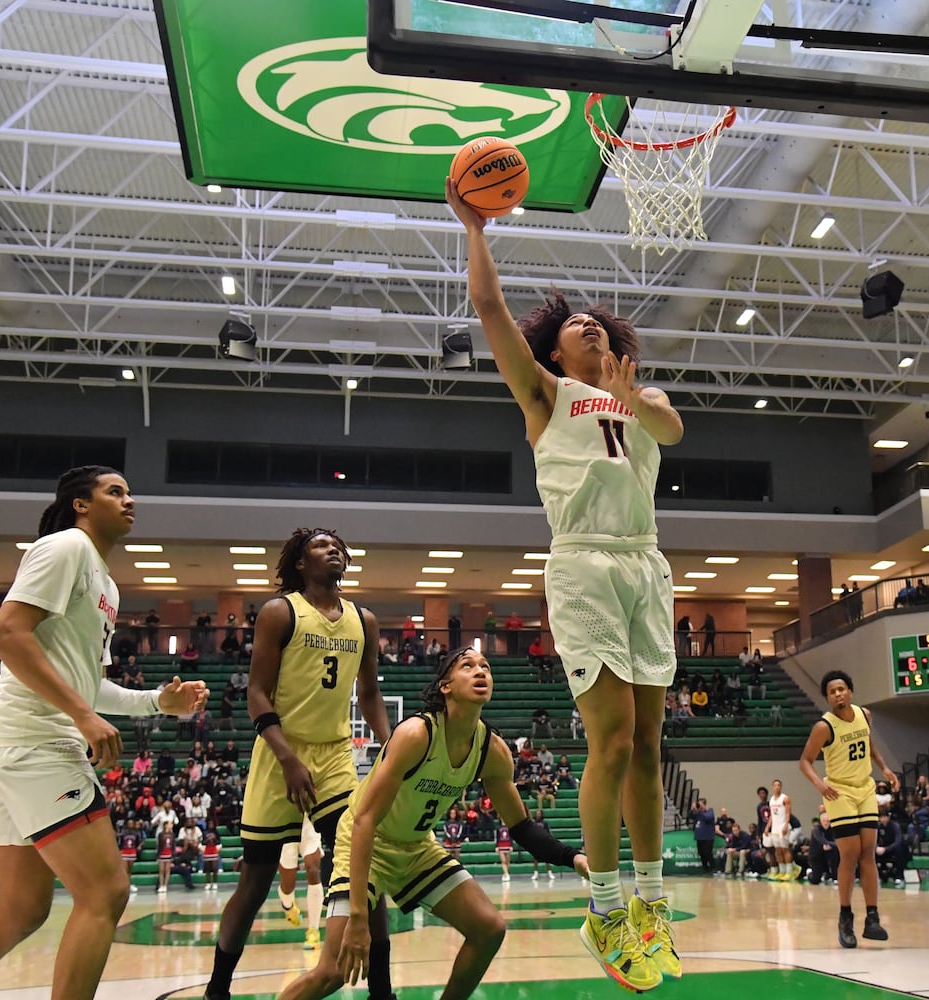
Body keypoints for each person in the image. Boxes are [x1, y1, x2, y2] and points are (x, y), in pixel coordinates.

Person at [448, 180, 683, 990]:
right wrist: (474, 228)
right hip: (583, 561)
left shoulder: (641, 397)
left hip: (646, 563)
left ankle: (652, 905)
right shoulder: (546, 394)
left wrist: (636, 401)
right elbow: (488, 311)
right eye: (572, 324)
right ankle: (605, 907)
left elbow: (671, 427)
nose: (585, 323)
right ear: (555, 351)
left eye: (596, 321)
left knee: (651, 745)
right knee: (612, 740)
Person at [0, 466, 207, 1000]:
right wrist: (79, 714)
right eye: (114, 491)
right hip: (34, 744)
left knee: (22, 912)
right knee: (105, 892)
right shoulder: (64, 547)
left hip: (17, 747)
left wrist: (157, 703)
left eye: (130, 492)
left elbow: (88, 685)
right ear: (80, 504)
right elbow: (6, 633)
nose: (129, 500)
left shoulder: (107, 585)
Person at [277, 648, 589, 1000]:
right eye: (467, 666)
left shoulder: (493, 751)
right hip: (366, 841)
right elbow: (364, 820)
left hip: (416, 848)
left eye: (485, 666)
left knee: (489, 928)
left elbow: (521, 828)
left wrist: (573, 857)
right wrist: (360, 919)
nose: (480, 671)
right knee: (332, 972)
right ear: (446, 686)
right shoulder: (416, 734)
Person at [203, 528, 393, 1000]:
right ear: (302, 564)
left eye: (338, 546)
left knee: (361, 867)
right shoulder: (280, 612)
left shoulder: (363, 620)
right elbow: (256, 693)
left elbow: (369, 693)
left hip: (333, 755)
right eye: (322, 546)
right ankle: (217, 988)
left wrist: (390, 746)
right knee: (256, 880)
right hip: (278, 753)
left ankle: (382, 991)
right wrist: (287, 757)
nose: (335, 550)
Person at [798, 669, 899, 947]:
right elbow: (805, 761)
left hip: (864, 787)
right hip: (838, 791)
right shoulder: (824, 726)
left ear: (850, 691)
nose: (838, 693)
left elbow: (869, 745)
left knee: (868, 852)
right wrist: (820, 785)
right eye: (832, 691)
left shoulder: (864, 715)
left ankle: (872, 918)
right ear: (828, 698)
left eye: (841, 688)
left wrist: (885, 768)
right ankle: (845, 916)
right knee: (850, 854)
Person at [278, 816, 326, 951]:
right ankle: (288, 906)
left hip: (309, 819)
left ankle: (313, 931)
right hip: (285, 820)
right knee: (288, 884)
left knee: (313, 869)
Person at [763, 779, 795, 881]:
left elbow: (788, 813)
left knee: (785, 849)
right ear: (772, 787)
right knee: (778, 850)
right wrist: (768, 827)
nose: (777, 787)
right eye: (775, 785)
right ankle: (782, 871)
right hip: (775, 828)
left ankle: (789, 871)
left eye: (779, 785)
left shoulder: (784, 798)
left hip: (783, 827)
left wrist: (786, 825)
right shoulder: (772, 800)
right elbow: (772, 816)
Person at [689, 798, 717, 873]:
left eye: (700, 804)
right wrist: (693, 809)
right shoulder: (698, 813)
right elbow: (690, 816)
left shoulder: (710, 811)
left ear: (704, 804)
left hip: (708, 837)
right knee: (701, 853)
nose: (699, 806)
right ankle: (705, 868)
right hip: (700, 837)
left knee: (707, 853)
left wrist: (699, 810)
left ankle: (713, 868)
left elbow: (706, 817)